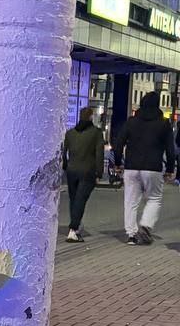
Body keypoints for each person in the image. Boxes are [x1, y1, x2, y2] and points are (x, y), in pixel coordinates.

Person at [112, 90, 176, 244]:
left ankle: (131, 235)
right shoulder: (164, 124)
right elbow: (170, 149)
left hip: (131, 167)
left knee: (130, 201)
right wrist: (170, 169)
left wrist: (118, 163)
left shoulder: (131, 122)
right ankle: (146, 226)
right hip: (153, 168)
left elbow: (119, 143)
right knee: (154, 198)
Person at [61, 106, 104, 242]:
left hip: (72, 171)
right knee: (80, 200)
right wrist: (99, 173)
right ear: (91, 117)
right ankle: (73, 229)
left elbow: (63, 151)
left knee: (74, 199)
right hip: (87, 171)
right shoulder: (96, 133)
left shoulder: (70, 133)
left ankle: (76, 226)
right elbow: (99, 154)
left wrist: (66, 166)